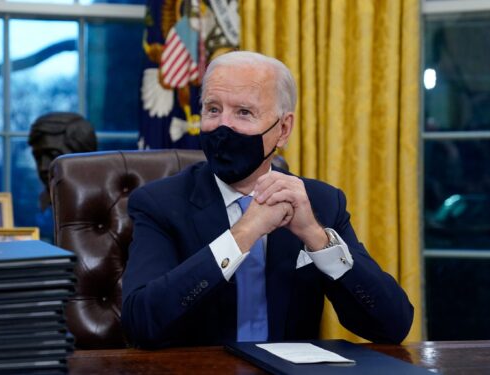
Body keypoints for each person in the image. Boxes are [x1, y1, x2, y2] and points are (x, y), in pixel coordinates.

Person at [121, 51, 413, 348]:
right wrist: (242, 235)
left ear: (283, 129)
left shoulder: (322, 203)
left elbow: (392, 326)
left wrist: (316, 237)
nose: (224, 126)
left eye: (243, 112)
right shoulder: (159, 203)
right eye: (212, 109)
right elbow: (141, 323)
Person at [28, 112, 97, 239]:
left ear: (83, 156)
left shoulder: (106, 208)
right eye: (38, 157)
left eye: (53, 155)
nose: (43, 167)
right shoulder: (32, 209)